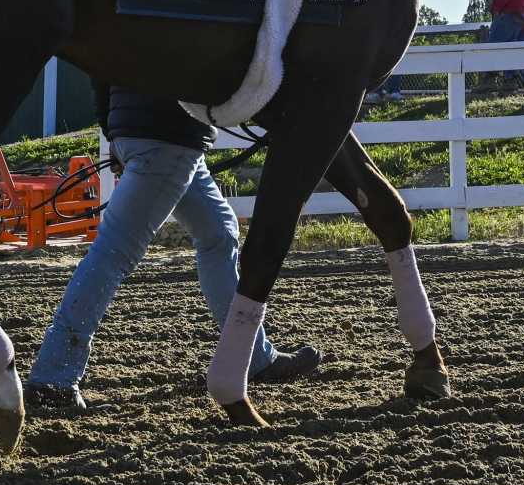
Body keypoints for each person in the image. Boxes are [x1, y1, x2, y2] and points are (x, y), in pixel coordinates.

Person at [25, 88, 321, 412]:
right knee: (113, 253)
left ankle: (253, 355)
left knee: (219, 233)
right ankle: (53, 380)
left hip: (143, 130)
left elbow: (101, 72)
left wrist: (115, 129)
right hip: (172, 136)